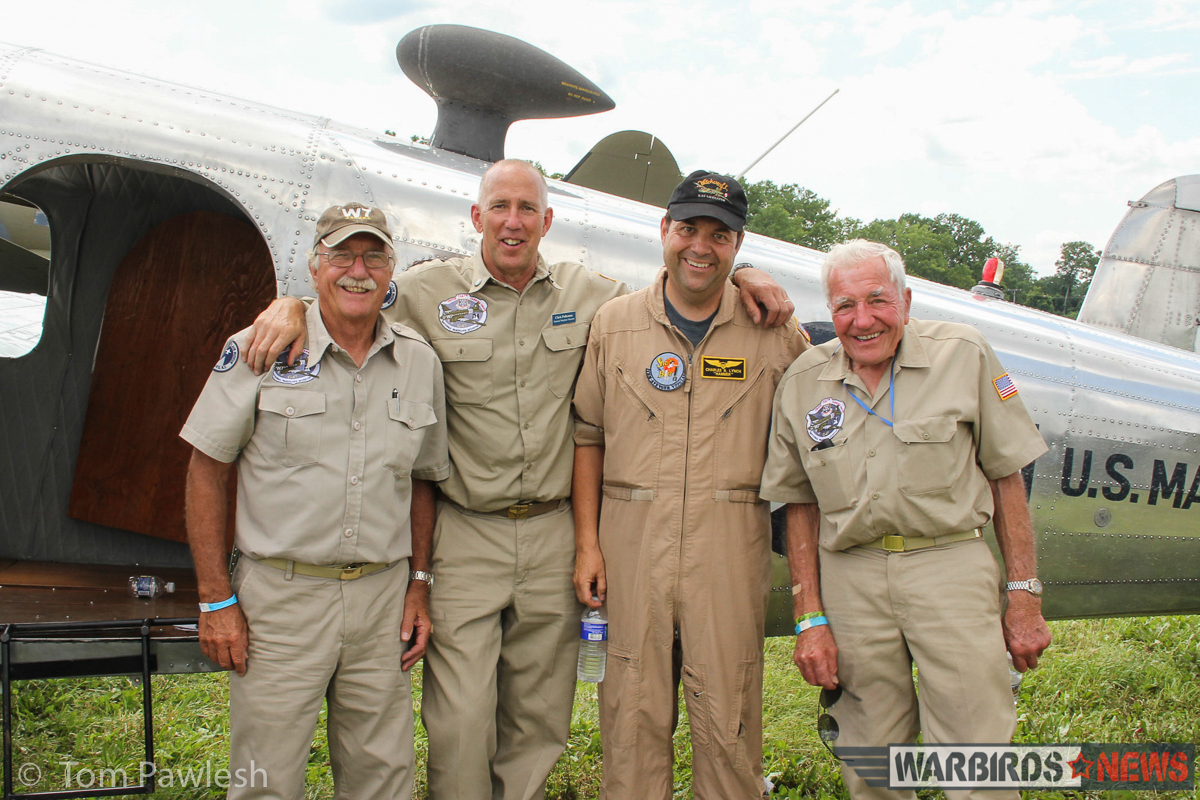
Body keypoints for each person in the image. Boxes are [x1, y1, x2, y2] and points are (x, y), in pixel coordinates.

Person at [240, 160, 797, 800]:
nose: (513, 222)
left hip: (555, 533)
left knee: (539, 720)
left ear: (547, 221)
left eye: (527, 209)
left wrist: (751, 273)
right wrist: (291, 306)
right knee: (459, 721)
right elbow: (353, 292)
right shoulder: (427, 292)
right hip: (467, 532)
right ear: (477, 217)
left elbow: (686, 284)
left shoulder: (594, 296)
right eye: (499, 207)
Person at [759, 239, 1052, 800]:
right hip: (851, 577)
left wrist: (1024, 595)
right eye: (844, 306)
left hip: (950, 564)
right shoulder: (803, 381)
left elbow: (1007, 477)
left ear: (907, 299)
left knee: (976, 757)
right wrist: (808, 617)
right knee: (870, 760)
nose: (862, 320)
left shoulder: (963, 354)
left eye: (877, 300)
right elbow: (799, 506)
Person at [182, 202, 449, 800]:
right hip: (281, 599)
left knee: (384, 777)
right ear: (314, 264)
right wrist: (212, 599)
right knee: (267, 780)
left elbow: (423, 481)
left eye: (373, 255)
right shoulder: (261, 349)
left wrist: (418, 583)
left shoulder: (419, 361)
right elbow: (205, 470)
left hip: (381, 599)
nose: (358, 269)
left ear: (390, 268)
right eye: (342, 255)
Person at [571, 171, 809, 799]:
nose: (700, 246)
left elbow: (819, 424)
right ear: (664, 231)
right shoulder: (614, 324)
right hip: (631, 550)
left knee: (729, 720)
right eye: (688, 229)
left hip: (727, 552)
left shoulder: (774, 331)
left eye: (720, 234)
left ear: (738, 245)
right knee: (630, 718)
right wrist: (589, 546)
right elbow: (588, 436)